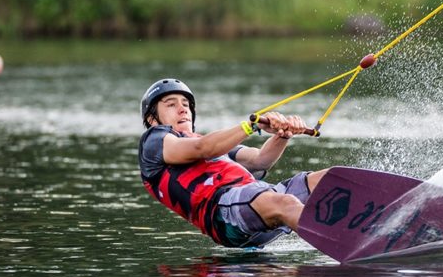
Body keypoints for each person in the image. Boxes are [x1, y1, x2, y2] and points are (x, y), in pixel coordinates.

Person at [138, 78, 328, 248]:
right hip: (224, 214)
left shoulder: (215, 145)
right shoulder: (154, 142)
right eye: (171, 105)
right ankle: (341, 242)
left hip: (258, 201)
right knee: (284, 202)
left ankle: (356, 227)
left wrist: (283, 135)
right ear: (152, 119)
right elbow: (201, 148)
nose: (183, 109)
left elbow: (260, 160)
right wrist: (252, 125)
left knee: (327, 179)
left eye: (186, 104)